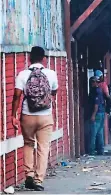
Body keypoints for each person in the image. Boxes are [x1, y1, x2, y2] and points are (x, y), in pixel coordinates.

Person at [12, 46, 58, 191]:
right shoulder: (51, 73)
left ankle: (29, 175)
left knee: (28, 144)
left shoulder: (22, 74)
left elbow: (17, 96)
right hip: (45, 115)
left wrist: (13, 115)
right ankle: (38, 180)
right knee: (43, 148)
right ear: (44, 59)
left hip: (27, 115)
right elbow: (54, 91)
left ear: (29, 58)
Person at [87, 76, 106, 155]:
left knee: (93, 133)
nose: (91, 84)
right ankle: (100, 150)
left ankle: (91, 151)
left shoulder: (96, 91)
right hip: (101, 113)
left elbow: (96, 104)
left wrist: (93, 115)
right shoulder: (100, 90)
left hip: (97, 113)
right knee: (100, 133)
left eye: (92, 82)